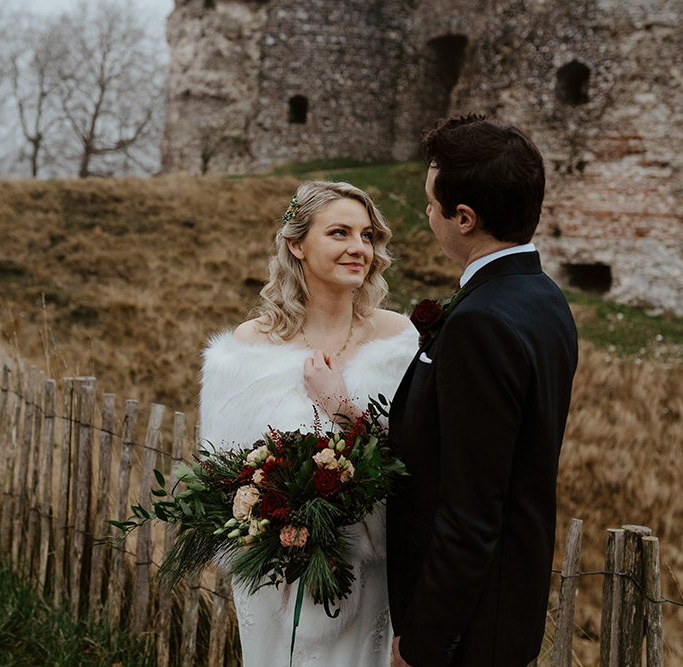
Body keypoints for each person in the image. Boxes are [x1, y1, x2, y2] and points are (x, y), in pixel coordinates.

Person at [385, 115, 579, 666]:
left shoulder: (481, 322)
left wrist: (424, 643)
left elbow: (470, 511)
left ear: (465, 218)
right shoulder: (545, 297)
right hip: (508, 603)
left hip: (469, 629)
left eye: (432, 203)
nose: (427, 213)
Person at [199, 180, 417, 666]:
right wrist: (277, 523)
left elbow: (415, 460)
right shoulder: (249, 347)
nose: (359, 248)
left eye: (366, 235)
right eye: (340, 233)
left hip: (366, 571)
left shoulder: (399, 341)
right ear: (296, 244)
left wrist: (343, 408)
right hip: (271, 574)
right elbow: (220, 475)